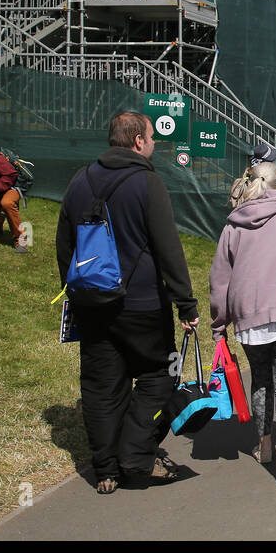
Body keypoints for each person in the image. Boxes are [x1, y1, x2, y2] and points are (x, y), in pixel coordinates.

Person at [56, 112, 200, 494]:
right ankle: (136, 456)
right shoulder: (147, 182)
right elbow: (168, 248)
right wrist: (186, 303)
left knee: (102, 384)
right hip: (142, 304)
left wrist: (73, 292)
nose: (154, 144)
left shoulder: (80, 180)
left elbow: (64, 243)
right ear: (138, 140)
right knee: (160, 374)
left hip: (92, 302)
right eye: (151, 137)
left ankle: (106, 470)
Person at [210, 160, 276, 487]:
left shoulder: (233, 225)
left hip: (247, 319)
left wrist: (218, 325)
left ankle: (264, 445)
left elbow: (220, 281)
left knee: (261, 381)